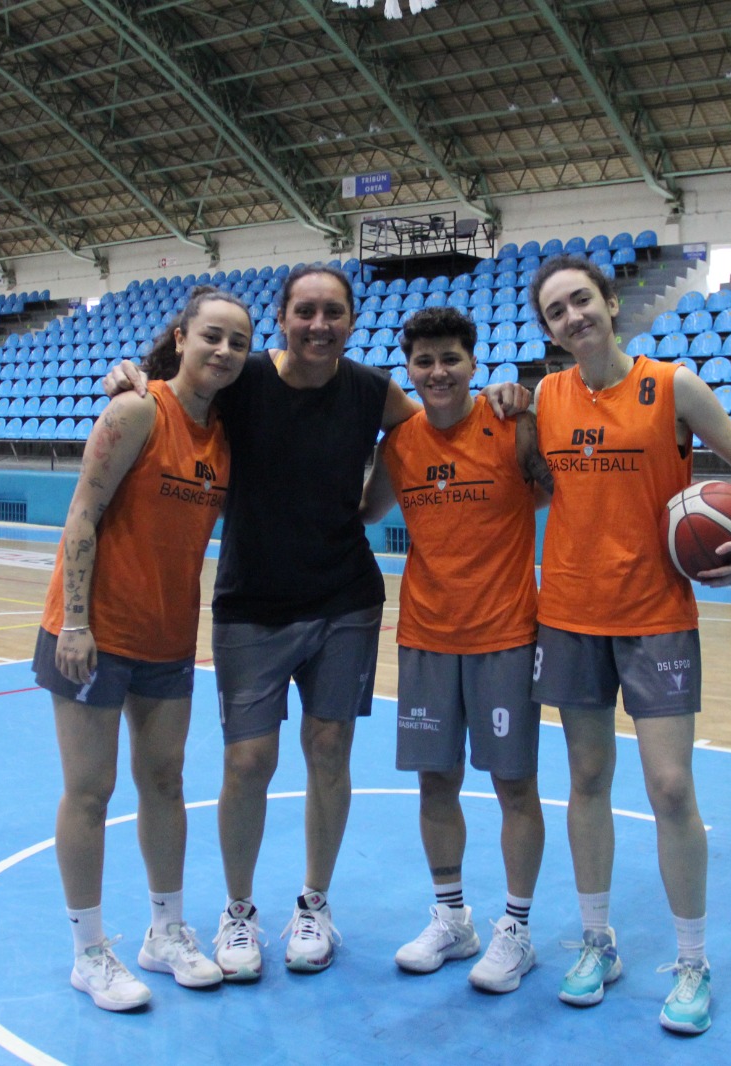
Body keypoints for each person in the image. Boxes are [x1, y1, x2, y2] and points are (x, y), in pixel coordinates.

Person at [101, 265, 530, 981]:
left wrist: (504, 397)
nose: (319, 324)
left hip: (344, 603)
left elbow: (443, 416)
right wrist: (133, 377)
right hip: (251, 603)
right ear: (282, 318)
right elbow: (181, 386)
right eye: (305, 311)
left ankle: (314, 906)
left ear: (352, 321)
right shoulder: (243, 379)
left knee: (329, 751)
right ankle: (239, 911)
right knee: (247, 762)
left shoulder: (370, 390)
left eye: (333, 312)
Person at [527, 255, 731, 1034]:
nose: (573, 316)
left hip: (656, 615)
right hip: (570, 613)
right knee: (587, 779)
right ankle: (596, 941)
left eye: (581, 300)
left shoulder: (672, 387)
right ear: (549, 331)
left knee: (670, 788)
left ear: (609, 303)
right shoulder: (544, 398)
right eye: (556, 311)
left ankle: (693, 961)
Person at [32, 288, 251, 1011]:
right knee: (90, 792)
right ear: (181, 337)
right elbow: (82, 515)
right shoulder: (136, 411)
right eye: (211, 336)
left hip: (167, 635)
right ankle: (89, 952)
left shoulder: (224, 436)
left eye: (238, 342)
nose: (224, 350)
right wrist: (75, 623)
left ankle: (165, 932)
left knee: (165, 782)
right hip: (92, 633)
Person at [358, 306, 552, 993]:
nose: (437, 372)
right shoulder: (400, 444)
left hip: (506, 635)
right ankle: (452, 919)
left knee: (514, 785)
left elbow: (562, 490)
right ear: (409, 370)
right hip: (425, 636)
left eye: (450, 359)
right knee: (435, 782)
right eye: (425, 361)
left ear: (473, 363)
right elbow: (365, 510)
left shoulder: (512, 425)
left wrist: (530, 407)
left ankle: (517, 929)